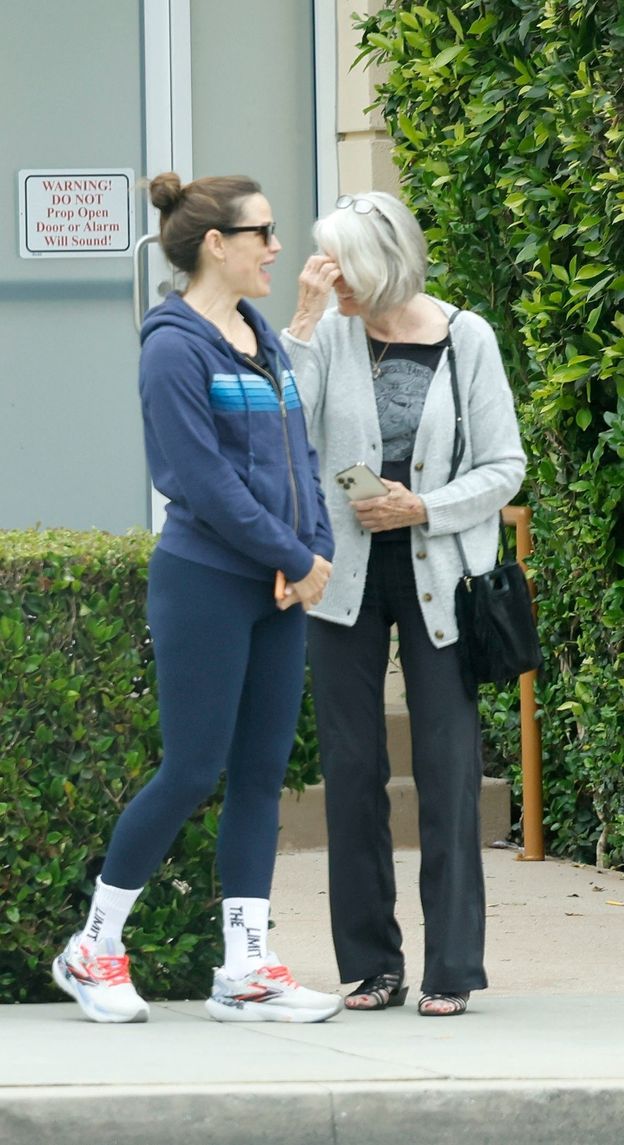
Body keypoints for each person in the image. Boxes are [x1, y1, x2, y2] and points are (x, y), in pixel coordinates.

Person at [52, 174, 341, 1024]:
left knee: (259, 776)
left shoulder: (261, 337)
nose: (277, 248)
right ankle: (92, 948)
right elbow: (202, 481)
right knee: (191, 769)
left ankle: (245, 970)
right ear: (215, 242)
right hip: (206, 580)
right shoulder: (172, 347)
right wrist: (291, 551)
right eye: (264, 232)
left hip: (275, 586)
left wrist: (311, 548)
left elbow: (299, 455)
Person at [282, 191, 526, 1017]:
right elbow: (286, 426)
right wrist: (306, 325)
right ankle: (372, 964)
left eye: (341, 264)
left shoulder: (468, 338)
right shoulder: (330, 332)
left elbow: (504, 466)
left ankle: (452, 966)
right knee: (352, 770)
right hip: (341, 574)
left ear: (385, 263)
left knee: (448, 770)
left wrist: (421, 506)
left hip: (440, 572)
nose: (329, 275)